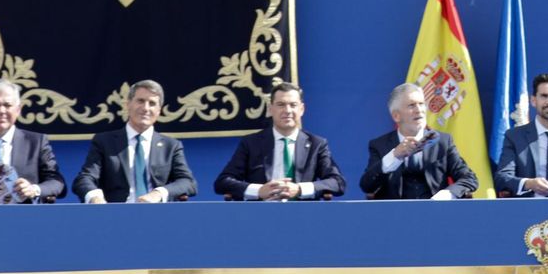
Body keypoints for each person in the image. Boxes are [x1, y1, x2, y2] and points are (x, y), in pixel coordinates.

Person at [213, 82, 346, 201]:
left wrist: (299, 189)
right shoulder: (251, 142)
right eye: (281, 105)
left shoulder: (317, 144)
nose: (287, 111)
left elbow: (337, 182)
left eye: (293, 105)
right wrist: (259, 191)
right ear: (270, 109)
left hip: (304, 216)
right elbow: (222, 182)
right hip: (260, 215)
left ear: (302, 109)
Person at [73, 79, 197, 203]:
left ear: (159, 110)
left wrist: (158, 193)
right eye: (140, 101)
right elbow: (85, 178)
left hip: (158, 214)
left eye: (152, 103)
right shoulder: (104, 142)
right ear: (128, 104)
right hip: (116, 215)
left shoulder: (171, 146)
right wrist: (95, 197)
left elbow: (188, 182)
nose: (145, 108)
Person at [359, 82, 477, 200]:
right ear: (396, 116)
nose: (419, 110)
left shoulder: (443, 142)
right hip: (395, 215)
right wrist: (394, 156)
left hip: (436, 213)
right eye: (411, 105)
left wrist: (447, 194)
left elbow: (469, 178)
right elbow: (367, 186)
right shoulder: (380, 145)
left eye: (421, 104)